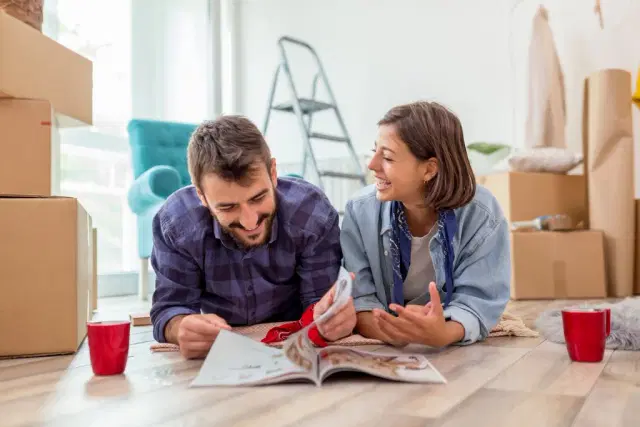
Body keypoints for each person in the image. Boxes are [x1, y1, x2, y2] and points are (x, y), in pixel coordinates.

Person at [149, 115, 356, 359]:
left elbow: (318, 304)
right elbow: (169, 310)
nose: (249, 221)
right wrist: (180, 327)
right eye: (227, 207)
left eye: (258, 198)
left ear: (273, 172)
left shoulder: (311, 214)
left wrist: (328, 317)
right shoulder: (177, 224)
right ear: (202, 196)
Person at [340, 101, 510, 348]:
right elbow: (361, 299)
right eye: (374, 151)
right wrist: (395, 332)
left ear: (430, 169)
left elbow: (480, 299)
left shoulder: (481, 213)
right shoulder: (359, 210)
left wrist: (443, 333)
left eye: (387, 156)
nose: (372, 165)